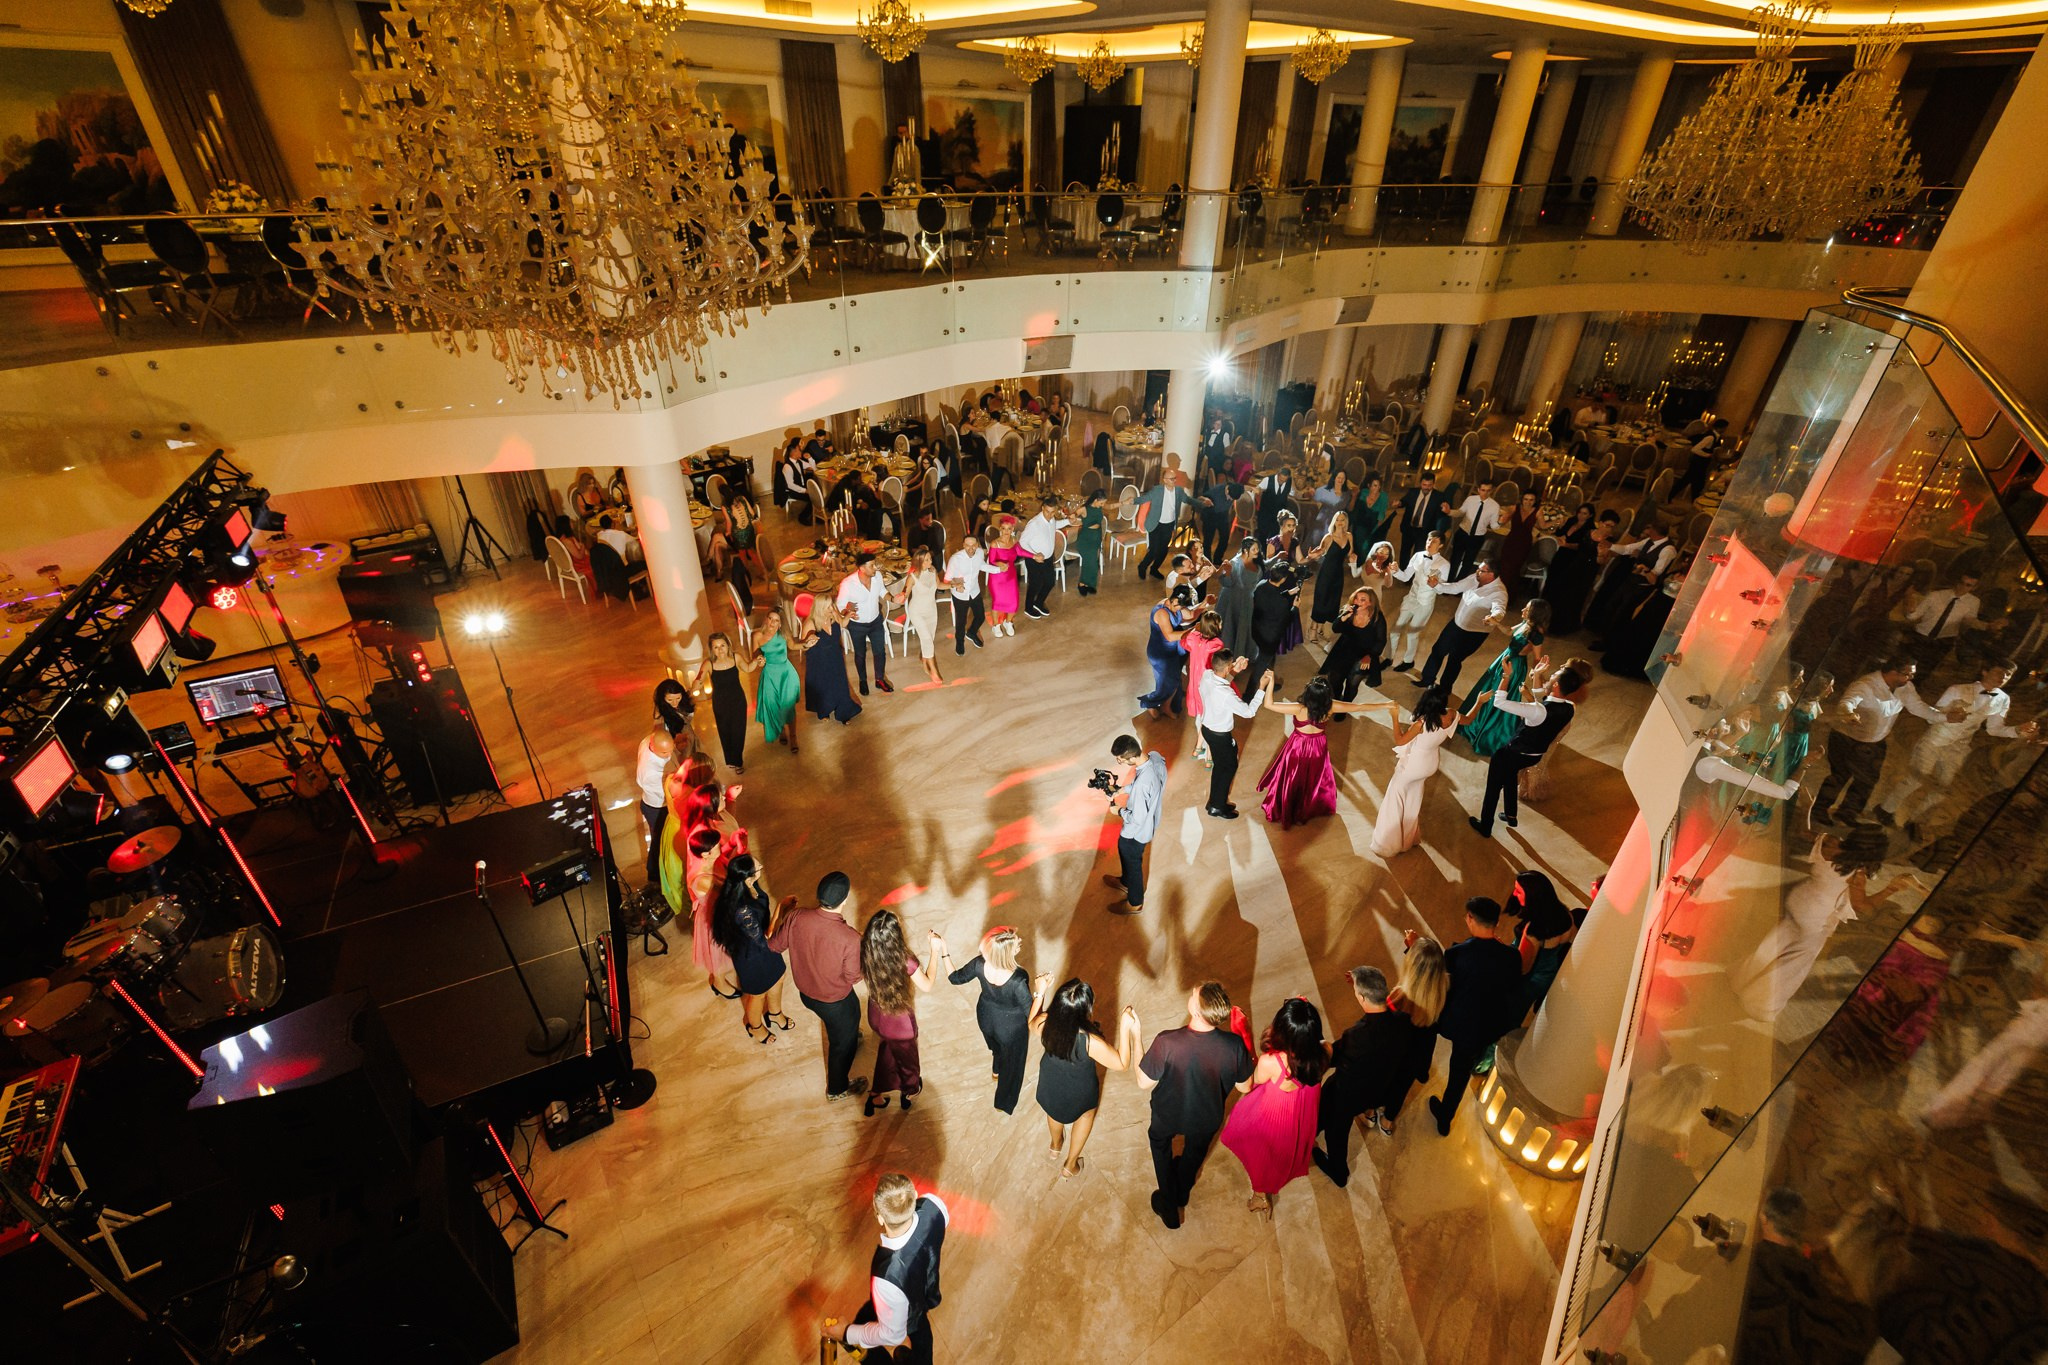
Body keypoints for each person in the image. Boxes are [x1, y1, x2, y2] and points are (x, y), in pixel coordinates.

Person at [1733, 829, 1922, 1023]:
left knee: (1774, 943)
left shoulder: (1831, 845)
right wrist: (1890, 889)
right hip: (1815, 919)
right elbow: (1863, 907)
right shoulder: (1857, 874)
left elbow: (1811, 834)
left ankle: (1740, 980)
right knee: (1793, 964)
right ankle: (1759, 1005)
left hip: (1798, 901)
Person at [1137, 982, 1256, 1229]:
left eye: (1194, 994)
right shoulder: (1233, 1046)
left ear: (1197, 1012)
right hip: (1207, 1116)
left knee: (1160, 1146)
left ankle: (1169, 1206)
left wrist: (1135, 1035)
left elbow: (1143, 1081)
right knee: (1194, 1152)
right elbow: (1245, 1087)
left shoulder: (1167, 1042)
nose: (1191, 991)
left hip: (1168, 1114)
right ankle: (1182, 1192)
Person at [1877, 659, 2038, 839]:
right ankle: (1885, 809)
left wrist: (2017, 730)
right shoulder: (1957, 689)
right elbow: (1931, 718)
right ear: (1985, 671)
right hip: (1935, 740)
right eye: (1999, 672)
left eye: (2008, 675)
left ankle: (1914, 823)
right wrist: (1948, 715)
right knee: (1915, 779)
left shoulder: (2003, 699)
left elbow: (1994, 729)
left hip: (1958, 747)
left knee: (1941, 789)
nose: (2003, 678)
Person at [1424, 899, 1525, 1135]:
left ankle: (1442, 1113)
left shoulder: (1456, 954)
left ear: (1470, 918)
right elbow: (1512, 990)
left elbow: (1444, 991)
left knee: (1457, 1067)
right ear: (1497, 923)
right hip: (1490, 1025)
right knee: (1462, 1070)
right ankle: (1446, 1115)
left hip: (1460, 1024)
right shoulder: (1511, 957)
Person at [823, 1173, 948, 1362]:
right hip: (925, 1295)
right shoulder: (934, 1206)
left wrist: (847, 1333)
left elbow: (893, 1336)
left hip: (907, 1310)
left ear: (880, 1217)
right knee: (920, 1337)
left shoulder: (887, 1278)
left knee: (895, 1326)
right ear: (914, 1195)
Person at [1219, 998, 1327, 1217]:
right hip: (1304, 1106)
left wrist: (1246, 1038)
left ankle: (1260, 1196)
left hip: (1278, 1112)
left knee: (1263, 1154)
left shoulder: (1273, 1062)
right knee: (1293, 1143)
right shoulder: (1326, 1050)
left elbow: (1251, 1083)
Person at [767, 871, 866, 1099]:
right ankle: (837, 1089)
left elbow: (774, 946)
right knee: (841, 1045)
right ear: (845, 899)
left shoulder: (797, 916)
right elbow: (854, 977)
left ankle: (850, 1037)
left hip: (806, 995)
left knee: (843, 1031)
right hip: (835, 1002)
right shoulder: (849, 938)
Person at [1030, 980, 1138, 1179]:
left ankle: (1055, 1146)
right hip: (1079, 1089)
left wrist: (1039, 993)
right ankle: (1070, 1165)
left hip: (1050, 1081)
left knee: (1053, 1111)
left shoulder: (1046, 1022)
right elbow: (1122, 1064)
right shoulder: (1090, 1041)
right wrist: (1125, 1027)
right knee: (1086, 1115)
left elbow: (1031, 1024)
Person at [1313, 967, 1409, 1187]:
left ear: (1362, 997)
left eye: (1356, 991)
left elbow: (1331, 1057)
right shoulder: (1403, 1021)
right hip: (1379, 1089)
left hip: (1349, 1094)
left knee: (1336, 1132)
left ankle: (1338, 1171)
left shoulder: (1356, 1036)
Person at [1810, 658, 1934, 825]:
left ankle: (1847, 813)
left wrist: (1943, 716)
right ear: (1892, 673)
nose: (1910, 678)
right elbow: (1847, 703)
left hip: (1875, 741)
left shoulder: (1905, 688)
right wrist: (1848, 714)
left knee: (1867, 781)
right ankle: (1817, 811)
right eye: (1907, 674)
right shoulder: (1865, 685)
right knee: (1839, 776)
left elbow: (1918, 707)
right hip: (1847, 739)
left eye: (1912, 675)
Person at [1468, 663, 1582, 839]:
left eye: (1553, 676)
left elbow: (1499, 702)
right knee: (1510, 776)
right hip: (1533, 756)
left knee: (1493, 788)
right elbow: (1542, 701)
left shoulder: (1538, 711)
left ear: (1557, 685)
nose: (1550, 677)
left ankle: (1485, 825)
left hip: (1512, 754)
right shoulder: (1569, 707)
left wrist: (1506, 676)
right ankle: (1511, 815)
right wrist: (1537, 674)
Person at [938, 927, 1039, 1114]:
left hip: (985, 1017)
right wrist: (1040, 992)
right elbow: (1032, 1016)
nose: (1020, 943)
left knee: (996, 1046)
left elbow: (954, 978)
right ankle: (1003, 1102)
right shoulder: (1018, 980)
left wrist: (944, 949)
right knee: (1014, 1065)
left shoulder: (979, 964)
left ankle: (996, 1068)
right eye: (1016, 943)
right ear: (1007, 953)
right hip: (1011, 1028)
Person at [1255, 676, 1370, 829]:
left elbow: (1268, 704)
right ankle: (1308, 807)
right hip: (1318, 747)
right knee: (1312, 778)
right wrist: (1387, 705)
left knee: (1293, 777)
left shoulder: (1299, 708)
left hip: (1297, 747)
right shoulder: (1331, 706)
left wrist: (1269, 682)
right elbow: (1360, 707)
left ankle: (1288, 808)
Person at [861, 911, 941, 1116]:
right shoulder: (905, 961)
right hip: (900, 1025)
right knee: (909, 1063)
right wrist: (935, 952)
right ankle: (910, 1091)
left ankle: (876, 1093)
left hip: (876, 1017)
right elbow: (927, 985)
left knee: (888, 1052)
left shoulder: (867, 952)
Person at [709, 853, 790, 1043]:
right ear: (748, 877)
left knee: (779, 978)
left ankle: (775, 1014)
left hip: (763, 951)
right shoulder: (742, 910)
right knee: (757, 995)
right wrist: (781, 909)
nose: (761, 867)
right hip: (752, 957)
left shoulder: (748, 886)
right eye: (759, 868)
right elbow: (764, 939)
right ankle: (755, 1027)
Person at [1459, 599, 1552, 757]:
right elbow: (1509, 631)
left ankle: (1488, 735)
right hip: (1505, 657)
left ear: (1535, 614)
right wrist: (1495, 622)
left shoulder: (1537, 635)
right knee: (1488, 687)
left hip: (1515, 666)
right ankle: (1473, 722)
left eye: (1527, 609)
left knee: (1498, 694)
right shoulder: (1525, 623)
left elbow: (1537, 658)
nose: (1523, 609)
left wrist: (1536, 673)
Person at [1371, 686, 1456, 857]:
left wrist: (1394, 718)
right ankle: (1408, 840)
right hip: (1430, 764)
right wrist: (1479, 702)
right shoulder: (1452, 714)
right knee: (1412, 799)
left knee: (1393, 802)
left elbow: (1400, 741)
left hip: (1412, 767)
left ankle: (1387, 845)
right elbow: (1468, 719)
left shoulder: (1422, 723)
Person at [1414, 560, 1509, 695]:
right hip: (1456, 623)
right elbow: (1455, 587)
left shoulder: (1499, 592)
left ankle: (1444, 691)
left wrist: (1495, 617)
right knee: (1438, 650)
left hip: (1473, 633)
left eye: (1481, 570)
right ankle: (1427, 679)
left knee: (1454, 660)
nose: (1477, 572)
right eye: (1478, 569)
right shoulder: (1474, 578)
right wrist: (1438, 586)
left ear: (1491, 574)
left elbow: (1499, 609)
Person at [1197, 652, 1268, 820]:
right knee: (1229, 767)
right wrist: (1261, 688)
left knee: (1220, 767)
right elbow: (1249, 712)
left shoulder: (1207, 675)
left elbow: (1222, 681)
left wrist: (1235, 671)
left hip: (1207, 729)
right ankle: (1217, 806)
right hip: (1220, 735)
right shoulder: (1227, 695)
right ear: (1227, 666)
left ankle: (1215, 801)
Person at [1102, 734, 1165, 916]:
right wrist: (1122, 790)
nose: (1118, 761)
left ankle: (1135, 902)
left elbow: (1137, 818)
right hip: (1150, 820)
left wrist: (1118, 811)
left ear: (1130, 757)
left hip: (1137, 832)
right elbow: (1141, 785)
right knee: (1125, 853)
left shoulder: (1142, 785)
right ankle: (1125, 882)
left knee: (1133, 862)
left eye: (1120, 759)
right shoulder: (1154, 758)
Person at [1904, 569, 1995, 675]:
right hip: (1921, 636)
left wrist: (1987, 626)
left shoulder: (1973, 602)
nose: (1962, 587)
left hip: (1944, 641)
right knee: (1906, 667)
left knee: (1925, 672)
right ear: (1957, 582)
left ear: (1974, 588)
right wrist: (1909, 601)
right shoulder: (1936, 595)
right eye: (1961, 583)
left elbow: (1969, 620)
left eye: (1968, 585)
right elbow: (1913, 616)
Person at [1387, 530, 1451, 672]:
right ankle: (1388, 657)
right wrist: (1396, 571)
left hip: (1425, 603)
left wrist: (1435, 584)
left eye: (1434, 541)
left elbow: (1442, 590)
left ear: (1440, 545)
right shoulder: (1417, 555)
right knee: (1395, 630)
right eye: (1429, 540)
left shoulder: (1444, 564)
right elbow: (1405, 577)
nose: (1429, 543)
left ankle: (1408, 661)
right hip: (1411, 598)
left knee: (1412, 633)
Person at [691, 631, 754, 774]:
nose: (720, 650)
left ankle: (738, 761)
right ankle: (731, 759)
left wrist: (757, 662)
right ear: (711, 649)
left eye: (722, 645)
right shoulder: (709, 663)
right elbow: (700, 678)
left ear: (728, 645)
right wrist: (695, 685)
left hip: (738, 701)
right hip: (720, 704)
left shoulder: (736, 657)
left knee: (738, 731)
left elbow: (748, 668)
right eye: (716, 647)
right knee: (725, 732)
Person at [836, 553, 896, 696]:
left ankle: (879, 679)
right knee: (860, 654)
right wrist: (847, 611)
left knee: (880, 651)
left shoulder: (878, 577)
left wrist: (893, 598)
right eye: (871, 565)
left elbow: (882, 591)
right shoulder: (848, 584)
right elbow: (839, 605)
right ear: (862, 568)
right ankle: (863, 680)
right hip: (857, 625)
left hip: (875, 621)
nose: (875, 568)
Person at [797, 594, 862, 725]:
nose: (831, 609)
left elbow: (842, 623)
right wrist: (808, 641)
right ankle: (824, 711)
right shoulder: (811, 623)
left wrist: (849, 615)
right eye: (827, 607)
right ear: (819, 608)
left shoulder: (833, 614)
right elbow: (802, 646)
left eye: (831, 605)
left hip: (834, 655)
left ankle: (844, 712)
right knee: (823, 686)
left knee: (840, 684)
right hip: (818, 659)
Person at [1319, 586, 1388, 702]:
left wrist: (1369, 656)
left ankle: (1346, 705)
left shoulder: (1377, 618)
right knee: (1334, 679)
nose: (1357, 602)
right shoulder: (1348, 612)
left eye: (1362, 600)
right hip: (1344, 649)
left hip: (1365, 653)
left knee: (1353, 682)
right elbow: (1335, 628)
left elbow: (1381, 640)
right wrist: (1343, 617)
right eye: (1356, 598)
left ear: (1370, 603)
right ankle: (1337, 701)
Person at [1542, 503, 1602, 636]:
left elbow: (1583, 546)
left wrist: (1567, 544)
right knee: (1551, 582)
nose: (1581, 515)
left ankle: (1552, 619)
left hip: (1572, 559)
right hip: (1561, 555)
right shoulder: (1571, 521)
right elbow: (1560, 533)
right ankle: (1542, 615)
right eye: (1580, 512)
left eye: (1584, 513)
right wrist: (1558, 532)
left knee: (1560, 587)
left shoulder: (1590, 529)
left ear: (1590, 515)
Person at [1137, 583, 1192, 720]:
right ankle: (1150, 703)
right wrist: (1191, 631)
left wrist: (1205, 604)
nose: (1181, 608)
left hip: (1171, 651)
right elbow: (1170, 636)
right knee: (1166, 683)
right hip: (1160, 654)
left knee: (1172, 680)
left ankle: (1166, 706)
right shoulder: (1161, 612)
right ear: (1173, 599)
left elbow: (1190, 614)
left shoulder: (1176, 606)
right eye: (1180, 605)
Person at [633, 715, 674, 885]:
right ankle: (654, 874)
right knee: (659, 841)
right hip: (656, 807)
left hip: (655, 803)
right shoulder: (650, 773)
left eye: (670, 750)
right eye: (665, 753)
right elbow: (668, 793)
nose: (669, 755)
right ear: (653, 746)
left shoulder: (647, 741)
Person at [1246, 561, 1300, 690]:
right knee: (1261, 664)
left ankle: (1269, 682)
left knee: (1268, 659)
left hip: (1257, 630)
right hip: (1270, 638)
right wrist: (1295, 608)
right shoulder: (1281, 603)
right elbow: (1287, 620)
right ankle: (1248, 695)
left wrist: (1288, 593)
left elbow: (1272, 597)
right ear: (1283, 579)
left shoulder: (1261, 585)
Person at [1180, 609, 1225, 762]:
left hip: (1194, 686)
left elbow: (1183, 641)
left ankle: (1200, 748)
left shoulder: (1193, 638)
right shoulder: (1216, 644)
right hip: (1207, 687)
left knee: (1200, 718)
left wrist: (1195, 629)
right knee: (1210, 720)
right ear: (1216, 627)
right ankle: (1208, 755)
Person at [1307, 510, 1357, 645]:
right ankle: (1313, 628)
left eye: (1343, 520)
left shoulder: (1349, 536)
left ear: (1346, 522)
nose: (1340, 523)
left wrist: (1352, 557)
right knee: (1321, 600)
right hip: (1326, 574)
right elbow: (1321, 550)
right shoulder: (1329, 537)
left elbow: (1350, 552)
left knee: (1333, 601)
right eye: (1338, 520)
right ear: (1334, 521)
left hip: (1338, 574)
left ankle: (1323, 627)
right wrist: (1313, 555)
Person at [1017, 501, 1069, 619]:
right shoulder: (1034, 523)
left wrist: (1068, 521)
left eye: (1052, 512)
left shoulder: (1051, 519)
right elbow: (1022, 542)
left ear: (1055, 511)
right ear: (1042, 508)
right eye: (1047, 511)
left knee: (1050, 582)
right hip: (1034, 559)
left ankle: (1038, 603)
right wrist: (1035, 555)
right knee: (1035, 584)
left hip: (1048, 558)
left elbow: (1055, 525)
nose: (1049, 515)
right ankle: (1028, 608)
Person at [900, 545, 943, 685]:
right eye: (926, 560)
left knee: (929, 639)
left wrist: (955, 585)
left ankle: (924, 660)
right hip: (917, 612)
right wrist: (900, 596)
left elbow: (940, 585)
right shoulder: (912, 577)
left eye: (930, 559)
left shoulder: (933, 571)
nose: (929, 562)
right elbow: (905, 594)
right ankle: (933, 671)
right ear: (918, 562)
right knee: (927, 640)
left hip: (932, 611)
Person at [1134, 475, 1190, 581]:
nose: (1174, 480)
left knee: (1164, 550)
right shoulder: (1157, 490)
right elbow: (1143, 499)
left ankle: (1154, 569)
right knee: (1154, 550)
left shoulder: (1178, 491)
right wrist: (1130, 501)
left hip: (1168, 525)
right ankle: (1142, 566)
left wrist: (1201, 503)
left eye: (1175, 478)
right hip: (1156, 524)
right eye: (1171, 478)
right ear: (1164, 480)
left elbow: (1188, 499)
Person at [1215, 537, 1262, 660]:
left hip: (1246, 601)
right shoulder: (1235, 563)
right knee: (1230, 627)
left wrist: (1277, 557)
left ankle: (1241, 654)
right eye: (1254, 549)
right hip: (1232, 601)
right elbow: (1227, 583)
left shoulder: (1256, 561)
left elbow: (1265, 566)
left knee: (1243, 627)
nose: (1257, 551)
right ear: (1246, 550)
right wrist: (1229, 573)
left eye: (1257, 548)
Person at [942, 535, 989, 654]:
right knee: (961, 621)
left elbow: (982, 566)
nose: (971, 548)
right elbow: (947, 579)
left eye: (973, 545)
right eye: (968, 545)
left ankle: (972, 632)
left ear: (977, 545)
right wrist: (956, 584)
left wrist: (999, 570)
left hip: (974, 591)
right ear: (963, 545)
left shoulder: (979, 553)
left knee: (981, 616)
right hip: (960, 594)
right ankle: (959, 642)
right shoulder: (955, 559)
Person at [1448, 479, 1501, 583]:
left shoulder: (1495, 506)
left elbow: (1494, 526)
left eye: (1488, 490)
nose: (1485, 493)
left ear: (1492, 491)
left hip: (1477, 538)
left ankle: (1459, 585)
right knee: (1454, 560)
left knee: (1467, 564)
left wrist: (1500, 522)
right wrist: (1449, 511)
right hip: (1462, 533)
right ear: (1478, 489)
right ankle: (1449, 583)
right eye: (1483, 490)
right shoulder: (1470, 499)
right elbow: (1460, 512)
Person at [1395, 471, 1451, 566]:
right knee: (1405, 551)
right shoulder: (1413, 492)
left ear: (1433, 484)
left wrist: (1445, 510)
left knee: (1418, 554)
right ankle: (1403, 572)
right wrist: (1399, 503)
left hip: (1424, 531)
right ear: (1420, 483)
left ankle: (1412, 573)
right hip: (1409, 527)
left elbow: (1442, 514)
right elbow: (1404, 501)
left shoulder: (1438, 496)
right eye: (1424, 485)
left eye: (1429, 485)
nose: (1426, 487)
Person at [984, 519, 1026, 637]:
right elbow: (991, 560)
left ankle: (1008, 622)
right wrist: (1000, 564)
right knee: (997, 601)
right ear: (1000, 529)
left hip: (1011, 575)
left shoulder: (1014, 540)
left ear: (1012, 529)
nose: (1006, 531)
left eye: (1009, 528)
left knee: (1014, 601)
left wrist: (1034, 556)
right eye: (1003, 528)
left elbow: (1021, 552)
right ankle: (996, 625)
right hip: (997, 577)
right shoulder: (995, 543)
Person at [1673, 417, 1730, 503]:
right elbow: (1695, 449)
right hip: (1698, 463)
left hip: (1702, 465)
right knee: (1688, 482)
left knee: (1696, 485)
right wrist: (1707, 455)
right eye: (1725, 428)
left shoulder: (1717, 437)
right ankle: (1674, 497)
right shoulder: (1710, 437)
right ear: (1720, 428)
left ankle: (1693, 502)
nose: (1725, 430)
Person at [1493, 490, 1542, 586]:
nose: (1528, 502)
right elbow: (1504, 521)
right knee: (1504, 566)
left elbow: (1543, 526)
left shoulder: (1538, 511)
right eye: (1526, 499)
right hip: (1511, 541)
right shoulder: (1514, 507)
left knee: (1515, 568)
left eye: (1531, 500)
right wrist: (1500, 520)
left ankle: (1509, 594)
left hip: (1524, 543)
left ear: (1535, 501)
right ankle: (1498, 591)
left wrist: (1556, 522)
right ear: (1522, 499)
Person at [1073, 488, 1107, 596]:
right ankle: (1082, 584)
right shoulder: (1085, 508)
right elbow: (1076, 513)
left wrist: (1123, 503)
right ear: (1096, 500)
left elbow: (1111, 506)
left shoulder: (1099, 506)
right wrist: (1073, 515)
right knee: (1090, 562)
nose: (1103, 505)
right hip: (1086, 539)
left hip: (1095, 537)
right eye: (1101, 503)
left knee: (1094, 563)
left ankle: (1090, 584)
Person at [1197, 478, 1238, 565]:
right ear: (1227, 490)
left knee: (1225, 537)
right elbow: (1200, 498)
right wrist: (1205, 500)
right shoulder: (1216, 491)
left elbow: (1244, 488)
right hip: (1210, 515)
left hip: (1222, 515)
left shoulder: (1235, 489)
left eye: (1232, 499)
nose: (1230, 499)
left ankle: (1217, 558)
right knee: (1208, 540)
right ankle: (1208, 562)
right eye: (1230, 497)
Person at [1254, 465, 1295, 545]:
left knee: (1274, 537)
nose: (1282, 482)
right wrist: (1258, 502)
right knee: (1262, 535)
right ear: (1278, 475)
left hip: (1278, 515)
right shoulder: (1268, 480)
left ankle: (1270, 554)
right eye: (1280, 479)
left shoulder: (1289, 481)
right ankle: (1261, 554)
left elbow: (1292, 493)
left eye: (1284, 480)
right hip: (1265, 513)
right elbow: (1257, 490)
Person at [1353, 474, 1392, 546]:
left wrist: (1372, 534)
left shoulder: (1383, 497)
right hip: (1360, 527)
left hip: (1373, 527)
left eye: (1378, 486)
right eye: (1375, 485)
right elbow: (1358, 511)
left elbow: (1381, 517)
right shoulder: (1364, 492)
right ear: (1369, 485)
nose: (1377, 488)